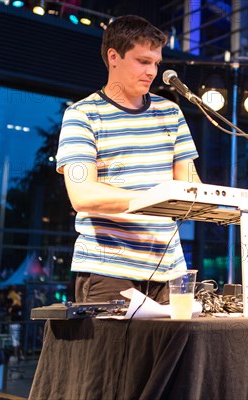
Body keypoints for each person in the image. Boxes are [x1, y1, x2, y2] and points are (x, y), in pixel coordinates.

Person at [56, 15, 200, 303]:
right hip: (106, 269)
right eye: (143, 61)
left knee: (176, 350)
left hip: (170, 270)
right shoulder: (82, 114)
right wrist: (157, 198)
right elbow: (83, 194)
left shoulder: (171, 113)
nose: (152, 71)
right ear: (114, 57)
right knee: (115, 350)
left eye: (156, 63)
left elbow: (190, 186)